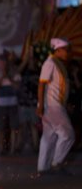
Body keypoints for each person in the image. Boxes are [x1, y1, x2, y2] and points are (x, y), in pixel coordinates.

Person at [37, 38, 75, 176]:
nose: (68, 52)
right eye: (66, 49)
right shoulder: (50, 63)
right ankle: (56, 164)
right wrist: (41, 105)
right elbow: (41, 84)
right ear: (57, 50)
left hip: (53, 105)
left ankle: (43, 168)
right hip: (52, 106)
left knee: (49, 137)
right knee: (68, 135)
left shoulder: (56, 63)